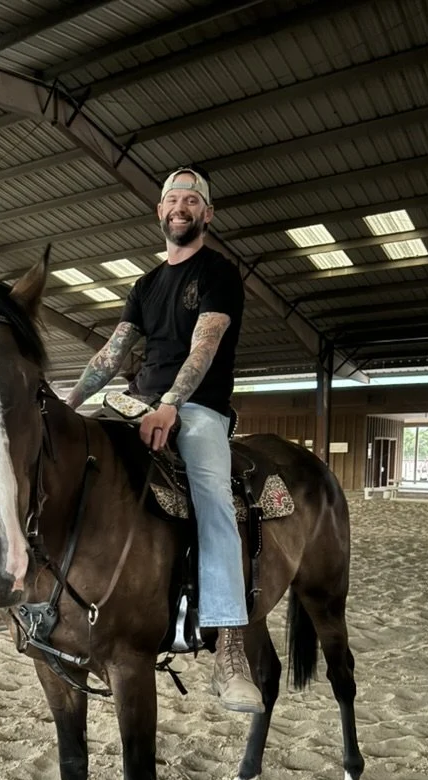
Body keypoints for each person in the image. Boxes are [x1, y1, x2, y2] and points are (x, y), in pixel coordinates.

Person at [66, 166, 263, 715]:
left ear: (207, 214)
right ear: (159, 212)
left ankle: (229, 649)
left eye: (192, 200)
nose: (181, 207)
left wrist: (172, 406)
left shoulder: (218, 272)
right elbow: (111, 355)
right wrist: (68, 405)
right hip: (136, 403)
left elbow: (204, 348)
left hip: (196, 408)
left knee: (214, 499)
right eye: (172, 199)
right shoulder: (145, 284)